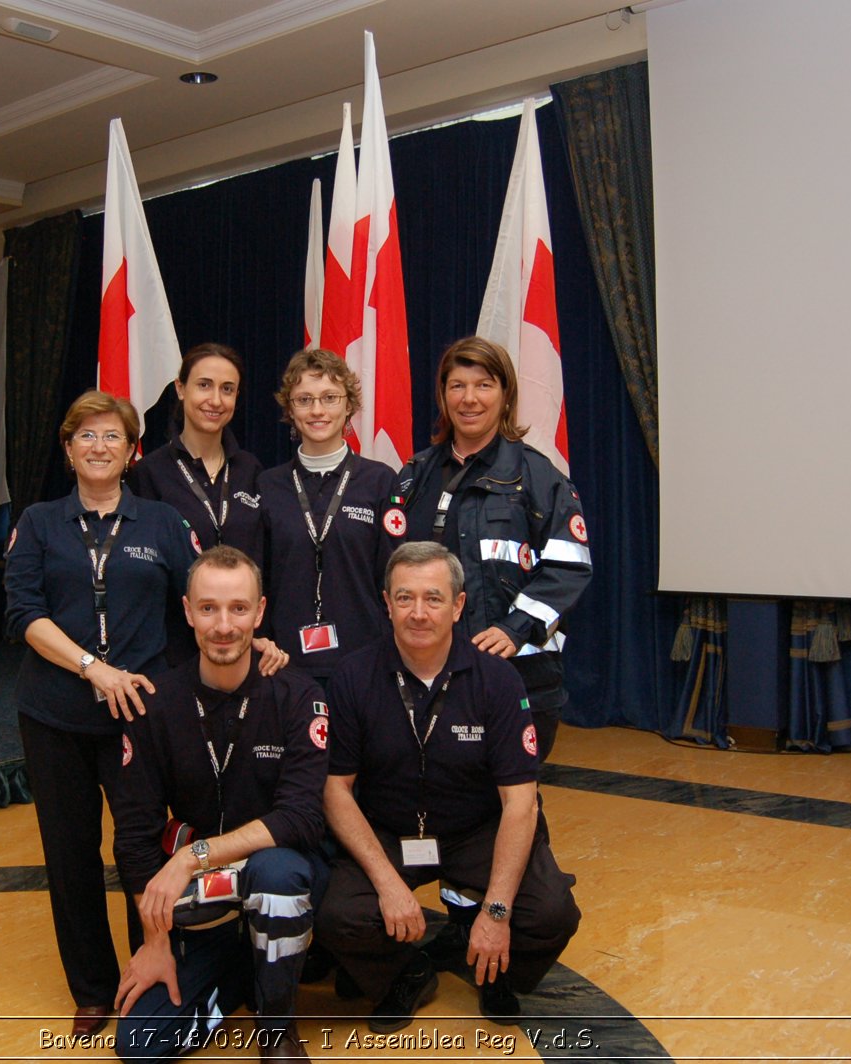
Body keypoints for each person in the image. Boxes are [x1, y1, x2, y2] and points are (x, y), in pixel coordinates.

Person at [4, 391, 285, 1038]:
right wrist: (92, 669)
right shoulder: (40, 522)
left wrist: (250, 632)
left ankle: (148, 967)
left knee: (143, 850)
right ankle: (94, 989)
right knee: (69, 852)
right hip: (54, 717)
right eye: (86, 436)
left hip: (143, 718)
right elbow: (24, 614)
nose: (99, 447)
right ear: (67, 448)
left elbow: (201, 596)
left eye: (112, 436)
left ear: (132, 452)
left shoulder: (161, 523)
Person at [314, 541, 580, 1032]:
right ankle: (406, 971)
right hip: (392, 831)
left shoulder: (497, 680)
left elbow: (520, 803)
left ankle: (491, 962)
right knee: (338, 918)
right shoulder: (353, 675)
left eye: (434, 598)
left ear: (458, 606)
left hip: (476, 830)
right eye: (405, 598)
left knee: (550, 914)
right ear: (386, 602)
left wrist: (497, 913)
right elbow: (336, 790)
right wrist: (389, 885)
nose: (419, 613)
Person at [112, 546, 327, 1064]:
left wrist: (194, 855)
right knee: (139, 1047)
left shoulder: (298, 696)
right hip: (198, 897)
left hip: (279, 872)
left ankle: (277, 1030)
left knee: (275, 873)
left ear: (259, 612)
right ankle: (242, 965)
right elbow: (135, 835)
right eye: (208, 608)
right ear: (187, 611)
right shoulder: (155, 703)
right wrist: (154, 942)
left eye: (237, 609)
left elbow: (301, 816)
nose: (224, 625)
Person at [386, 337, 592, 766]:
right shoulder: (415, 477)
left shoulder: (539, 477)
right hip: (430, 675)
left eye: (484, 385)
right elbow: (393, 572)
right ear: (443, 396)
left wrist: (515, 628)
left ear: (505, 394)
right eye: (457, 386)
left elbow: (569, 567)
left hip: (520, 679)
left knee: (515, 801)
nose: (469, 399)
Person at [257, 349, 397, 691]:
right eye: (304, 399)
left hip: (366, 660)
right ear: (290, 409)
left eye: (330, 398)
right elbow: (255, 573)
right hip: (283, 660)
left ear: (348, 405)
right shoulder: (266, 484)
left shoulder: (380, 481)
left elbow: (395, 574)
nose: (317, 410)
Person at [132, 343, 264, 561]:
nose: (215, 400)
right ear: (180, 388)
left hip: (244, 596)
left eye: (227, 389)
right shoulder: (149, 472)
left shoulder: (251, 470)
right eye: (204, 385)